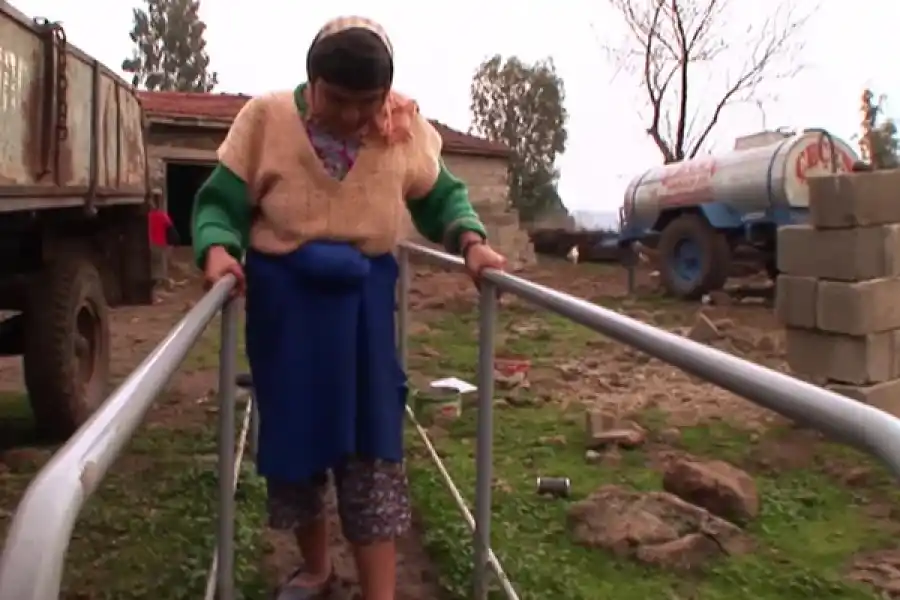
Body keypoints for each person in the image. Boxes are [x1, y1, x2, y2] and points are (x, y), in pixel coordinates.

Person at [191, 16, 506, 600]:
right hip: (285, 310)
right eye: (338, 100)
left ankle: (378, 594)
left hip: (362, 312)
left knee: (372, 452)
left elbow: (444, 197)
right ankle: (316, 570)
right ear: (312, 82)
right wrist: (216, 251)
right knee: (295, 444)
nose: (353, 117)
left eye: (368, 102)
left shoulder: (402, 129)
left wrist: (471, 241)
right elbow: (221, 203)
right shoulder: (265, 119)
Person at [148, 192, 178, 285]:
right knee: (159, 267)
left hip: (150, 243)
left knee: (152, 267)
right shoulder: (162, 216)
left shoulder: (148, 216)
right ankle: (159, 286)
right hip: (160, 243)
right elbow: (171, 230)